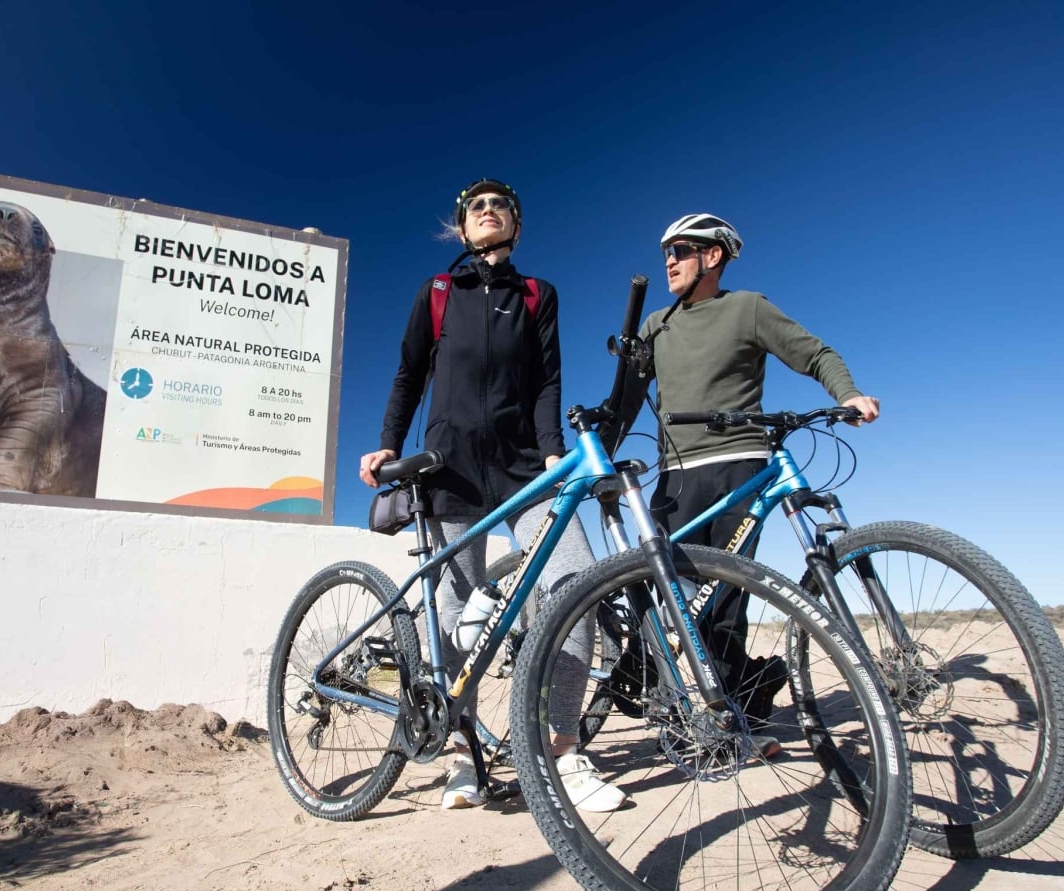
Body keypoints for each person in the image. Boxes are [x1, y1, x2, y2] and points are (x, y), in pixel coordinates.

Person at [359, 179, 624, 812]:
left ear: (516, 225)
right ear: (461, 225)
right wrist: (388, 443)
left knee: (573, 584)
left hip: (525, 466)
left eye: (498, 205)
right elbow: (409, 373)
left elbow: (546, 380)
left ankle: (562, 747)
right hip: (447, 469)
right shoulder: (439, 292)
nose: (486, 212)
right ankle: (463, 754)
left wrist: (553, 450)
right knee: (453, 609)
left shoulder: (537, 295)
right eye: (475, 207)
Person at [639, 212, 880, 744]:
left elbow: (813, 352)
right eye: (666, 255)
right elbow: (625, 398)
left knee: (725, 600)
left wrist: (847, 393)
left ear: (713, 256)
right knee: (672, 598)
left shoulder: (747, 308)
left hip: (738, 465)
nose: (670, 262)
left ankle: (725, 721)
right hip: (674, 476)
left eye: (680, 250)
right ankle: (718, 693)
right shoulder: (655, 324)